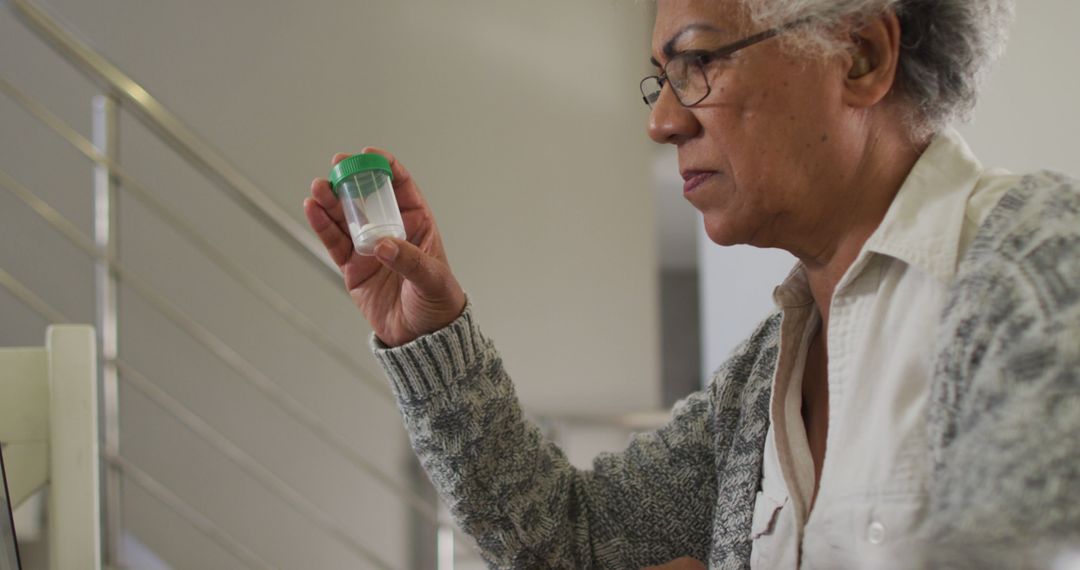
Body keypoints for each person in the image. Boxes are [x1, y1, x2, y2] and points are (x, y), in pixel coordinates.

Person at [303, 0, 1080, 567]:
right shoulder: (760, 376)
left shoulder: (1037, 263)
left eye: (700, 62)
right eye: (662, 79)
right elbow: (572, 539)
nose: (663, 121)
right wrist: (429, 335)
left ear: (862, 56)